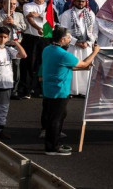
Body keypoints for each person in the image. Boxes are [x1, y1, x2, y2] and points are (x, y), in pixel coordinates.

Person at [41, 26, 101, 156]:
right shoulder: (63, 54)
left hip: (49, 89)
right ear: (63, 39)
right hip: (60, 90)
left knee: (56, 117)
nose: (70, 40)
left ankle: (52, 143)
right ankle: (52, 147)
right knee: (55, 120)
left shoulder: (47, 49)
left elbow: (63, 67)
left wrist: (81, 69)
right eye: (68, 38)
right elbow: (84, 63)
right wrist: (95, 52)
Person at [0, 0, 28, 99]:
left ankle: (14, 91)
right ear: (3, 4)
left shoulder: (19, 15)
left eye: (14, 4)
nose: (12, 6)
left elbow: (24, 28)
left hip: (14, 45)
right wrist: (2, 23)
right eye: (9, 4)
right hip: (0, 45)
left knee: (15, 68)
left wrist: (14, 23)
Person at [58, 0, 99, 95]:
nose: (80, 3)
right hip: (73, 46)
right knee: (73, 68)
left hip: (87, 46)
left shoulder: (90, 14)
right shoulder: (66, 14)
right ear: (74, 1)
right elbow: (64, 31)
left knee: (87, 69)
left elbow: (95, 30)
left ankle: (85, 91)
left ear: (86, 2)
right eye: (78, 1)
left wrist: (89, 42)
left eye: (83, 1)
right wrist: (75, 42)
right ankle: (73, 91)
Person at [21, 0, 51, 98]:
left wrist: (39, 15)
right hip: (32, 38)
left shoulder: (49, 6)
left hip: (46, 37)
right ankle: (27, 90)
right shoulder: (27, 5)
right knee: (30, 63)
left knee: (43, 64)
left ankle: (41, 89)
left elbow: (51, 19)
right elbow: (29, 18)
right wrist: (38, 28)